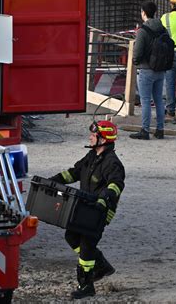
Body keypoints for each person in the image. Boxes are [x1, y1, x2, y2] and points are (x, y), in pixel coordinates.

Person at [50, 120, 125, 299]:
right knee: (71, 236)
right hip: (85, 208)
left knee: (86, 246)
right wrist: (54, 180)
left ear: (103, 139)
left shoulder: (112, 163)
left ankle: (86, 285)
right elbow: (74, 173)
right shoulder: (91, 156)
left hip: (100, 211)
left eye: (93, 135)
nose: (90, 137)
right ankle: (101, 265)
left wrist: (103, 199)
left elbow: (116, 185)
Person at [130, 2, 167, 140]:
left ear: (144, 13)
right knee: (158, 100)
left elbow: (137, 52)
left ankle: (145, 130)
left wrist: (136, 61)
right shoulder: (162, 29)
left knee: (145, 100)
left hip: (146, 69)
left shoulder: (143, 31)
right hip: (160, 69)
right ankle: (160, 129)